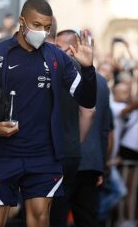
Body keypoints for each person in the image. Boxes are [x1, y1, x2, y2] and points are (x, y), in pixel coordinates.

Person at [0, 0, 96, 227]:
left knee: (40, 218)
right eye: (37, 25)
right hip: (2, 153)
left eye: (46, 27)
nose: (42, 32)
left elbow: (87, 100)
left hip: (43, 156)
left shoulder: (56, 57)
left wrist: (88, 68)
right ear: (22, 22)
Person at [50, 28, 95, 227]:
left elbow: (88, 111)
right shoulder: (79, 72)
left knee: (48, 213)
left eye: (58, 47)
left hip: (55, 151)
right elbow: (87, 112)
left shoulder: (60, 71)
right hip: (70, 151)